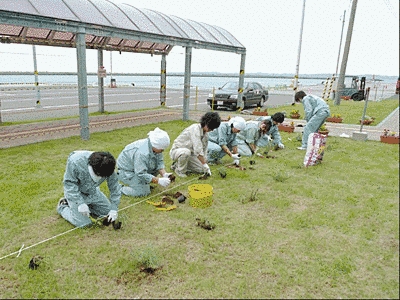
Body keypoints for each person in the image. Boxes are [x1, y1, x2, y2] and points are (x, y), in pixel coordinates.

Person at [57, 151, 122, 228]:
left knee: (107, 213)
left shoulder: (109, 166)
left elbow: (115, 188)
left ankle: (88, 206)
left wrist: (114, 209)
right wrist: (80, 203)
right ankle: (63, 206)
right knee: (84, 224)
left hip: (93, 191)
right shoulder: (75, 162)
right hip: (76, 192)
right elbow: (69, 184)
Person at [117, 127, 172, 197]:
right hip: (126, 172)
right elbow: (140, 173)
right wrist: (158, 180)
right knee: (143, 192)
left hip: (137, 169)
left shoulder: (154, 147)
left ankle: (142, 184)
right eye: (161, 149)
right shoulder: (142, 153)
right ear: (155, 145)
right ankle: (118, 188)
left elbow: (159, 162)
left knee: (153, 168)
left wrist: (164, 174)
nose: (162, 151)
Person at [170, 112, 221, 177]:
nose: (211, 130)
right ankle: (180, 170)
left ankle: (178, 164)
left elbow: (204, 150)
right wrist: (204, 164)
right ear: (206, 123)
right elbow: (198, 149)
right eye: (210, 128)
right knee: (186, 152)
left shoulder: (205, 135)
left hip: (191, 154)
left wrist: (205, 165)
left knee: (201, 169)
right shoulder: (195, 129)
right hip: (178, 151)